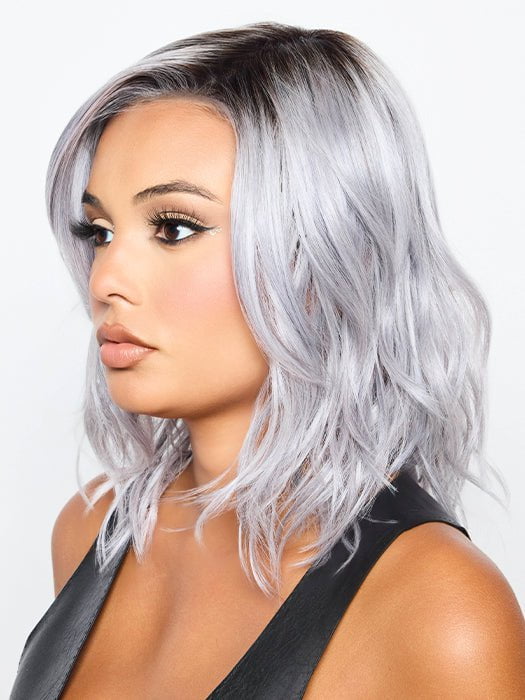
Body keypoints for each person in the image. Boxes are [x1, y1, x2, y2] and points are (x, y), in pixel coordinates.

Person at [11, 21, 525, 699]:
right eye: (99, 231)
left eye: (173, 227)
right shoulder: (91, 533)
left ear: (324, 253)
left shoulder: (438, 608)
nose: (105, 279)